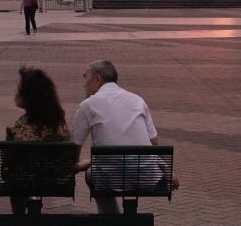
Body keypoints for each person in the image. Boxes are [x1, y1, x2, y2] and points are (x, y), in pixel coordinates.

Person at [71, 60, 179, 214]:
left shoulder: (88, 105)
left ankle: (111, 217)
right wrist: (167, 171)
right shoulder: (137, 100)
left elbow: (74, 148)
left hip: (110, 179)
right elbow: (154, 142)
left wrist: (81, 163)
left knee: (91, 174)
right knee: (123, 172)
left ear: (96, 78)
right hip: (146, 177)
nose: (84, 84)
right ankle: (128, 213)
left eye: (85, 77)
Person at [4, 66, 71, 214]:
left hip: (22, 181)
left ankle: (19, 216)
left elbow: (8, 162)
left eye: (19, 90)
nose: (16, 93)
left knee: (17, 178)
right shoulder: (59, 123)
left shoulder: (17, 128)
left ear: (28, 97)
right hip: (55, 180)